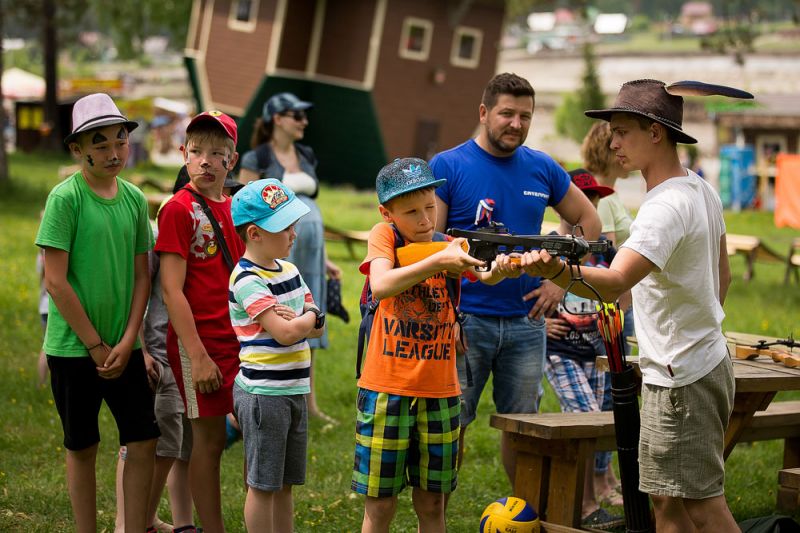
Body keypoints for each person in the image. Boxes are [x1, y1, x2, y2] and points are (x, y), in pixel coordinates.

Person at [520, 79, 736, 532]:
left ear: (655, 132)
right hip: (694, 362)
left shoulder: (666, 207)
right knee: (667, 502)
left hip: (684, 375)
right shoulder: (700, 189)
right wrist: (691, 329)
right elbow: (724, 277)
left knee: (700, 505)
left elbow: (615, 281)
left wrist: (554, 271)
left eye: (622, 131)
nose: (611, 141)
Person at [429, 72, 601, 484]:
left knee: (523, 428)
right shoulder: (448, 165)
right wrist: (446, 313)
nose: (516, 124)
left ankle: (526, 515)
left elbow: (589, 222)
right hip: (466, 320)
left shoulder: (542, 168)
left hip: (527, 323)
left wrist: (560, 280)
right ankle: (435, 519)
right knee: (452, 427)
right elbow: (432, 243)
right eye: (507, 114)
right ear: (485, 113)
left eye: (525, 116)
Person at [352, 158, 511, 533]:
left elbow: (484, 274)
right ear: (386, 213)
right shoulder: (384, 236)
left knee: (433, 502)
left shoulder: (449, 244)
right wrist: (440, 259)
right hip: (385, 388)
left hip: (441, 391)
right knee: (381, 504)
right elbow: (381, 284)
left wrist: (506, 267)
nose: (425, 219)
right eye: (411, 211)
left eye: (430, 206)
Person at [35, 92, 159, 532]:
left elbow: (143, 277)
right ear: (77, 149)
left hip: (123, 349)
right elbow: (56, 281)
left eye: (120, 141)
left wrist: (128, 342)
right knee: (82, 447)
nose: (113, 152)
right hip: (73, 350)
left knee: (143, 440)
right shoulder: (64, 200)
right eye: (100, 143)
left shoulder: (133, 200)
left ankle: (133, 527)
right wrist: (94, 345)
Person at [156, 110, 245, 533]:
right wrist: (198, 356)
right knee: (207, 444)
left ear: (233, 158)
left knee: (248, 436)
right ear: (183, 155)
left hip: (243, 342)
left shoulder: (240, 208)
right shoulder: (178, 210)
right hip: (201, 345)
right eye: (196, 152)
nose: (206, 161)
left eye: (216, 152)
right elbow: (171, 290)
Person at [227, 177, 325, 531]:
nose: (294, 233)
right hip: (264, 395)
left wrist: (305, 318)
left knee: (285, 484)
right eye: (285, 227)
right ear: (255, 234)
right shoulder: (247, 279)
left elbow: (317, 324)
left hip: (293, 391)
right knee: (263, 484)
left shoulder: (290, 270)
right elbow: (286, 335)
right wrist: (303, 319)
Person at [239, 92, 341, 423]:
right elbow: (242, 208)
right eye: (296, 115)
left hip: (310, 248)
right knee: (282, 314)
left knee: (309, 307)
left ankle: (309, 402)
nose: (304, 121)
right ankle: (268, 389)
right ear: (277, 119)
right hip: (277, 247)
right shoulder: (257, 157)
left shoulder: (306, 153)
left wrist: (324, 259)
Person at [543, 169, 624, 530]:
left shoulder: (603, 251)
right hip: (560, 351)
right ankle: (585, 506)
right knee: (586, 418)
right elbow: (521, 294)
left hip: (598, 353)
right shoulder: (545, 246)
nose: (588, 207)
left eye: (593, 200)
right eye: (582, 198)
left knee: (602, 422)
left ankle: (593, 491)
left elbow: (622, 295)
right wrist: (539, 324)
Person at [115, 190, 197, 533]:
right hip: (160, 355)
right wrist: (142, 349)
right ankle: (129, 523)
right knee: (149, 440)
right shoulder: (164, 234)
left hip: (192, 357)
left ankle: (150, 520)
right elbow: (139, 292)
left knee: (178, 441)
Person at [582, 122, 636, 354]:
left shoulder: (610, 195)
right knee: (614, 384)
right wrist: (621, 310)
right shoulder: (601, 199)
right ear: (609, 150)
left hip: (623, 303)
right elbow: (608, 262)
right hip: (616, 307)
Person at [36, 242, 49, 387]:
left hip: (44, 305)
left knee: (46, 345)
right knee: (47, 347)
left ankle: (41, 384)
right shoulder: (48, 254)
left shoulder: (40, 257)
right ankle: (41, 384)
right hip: (52, 306)